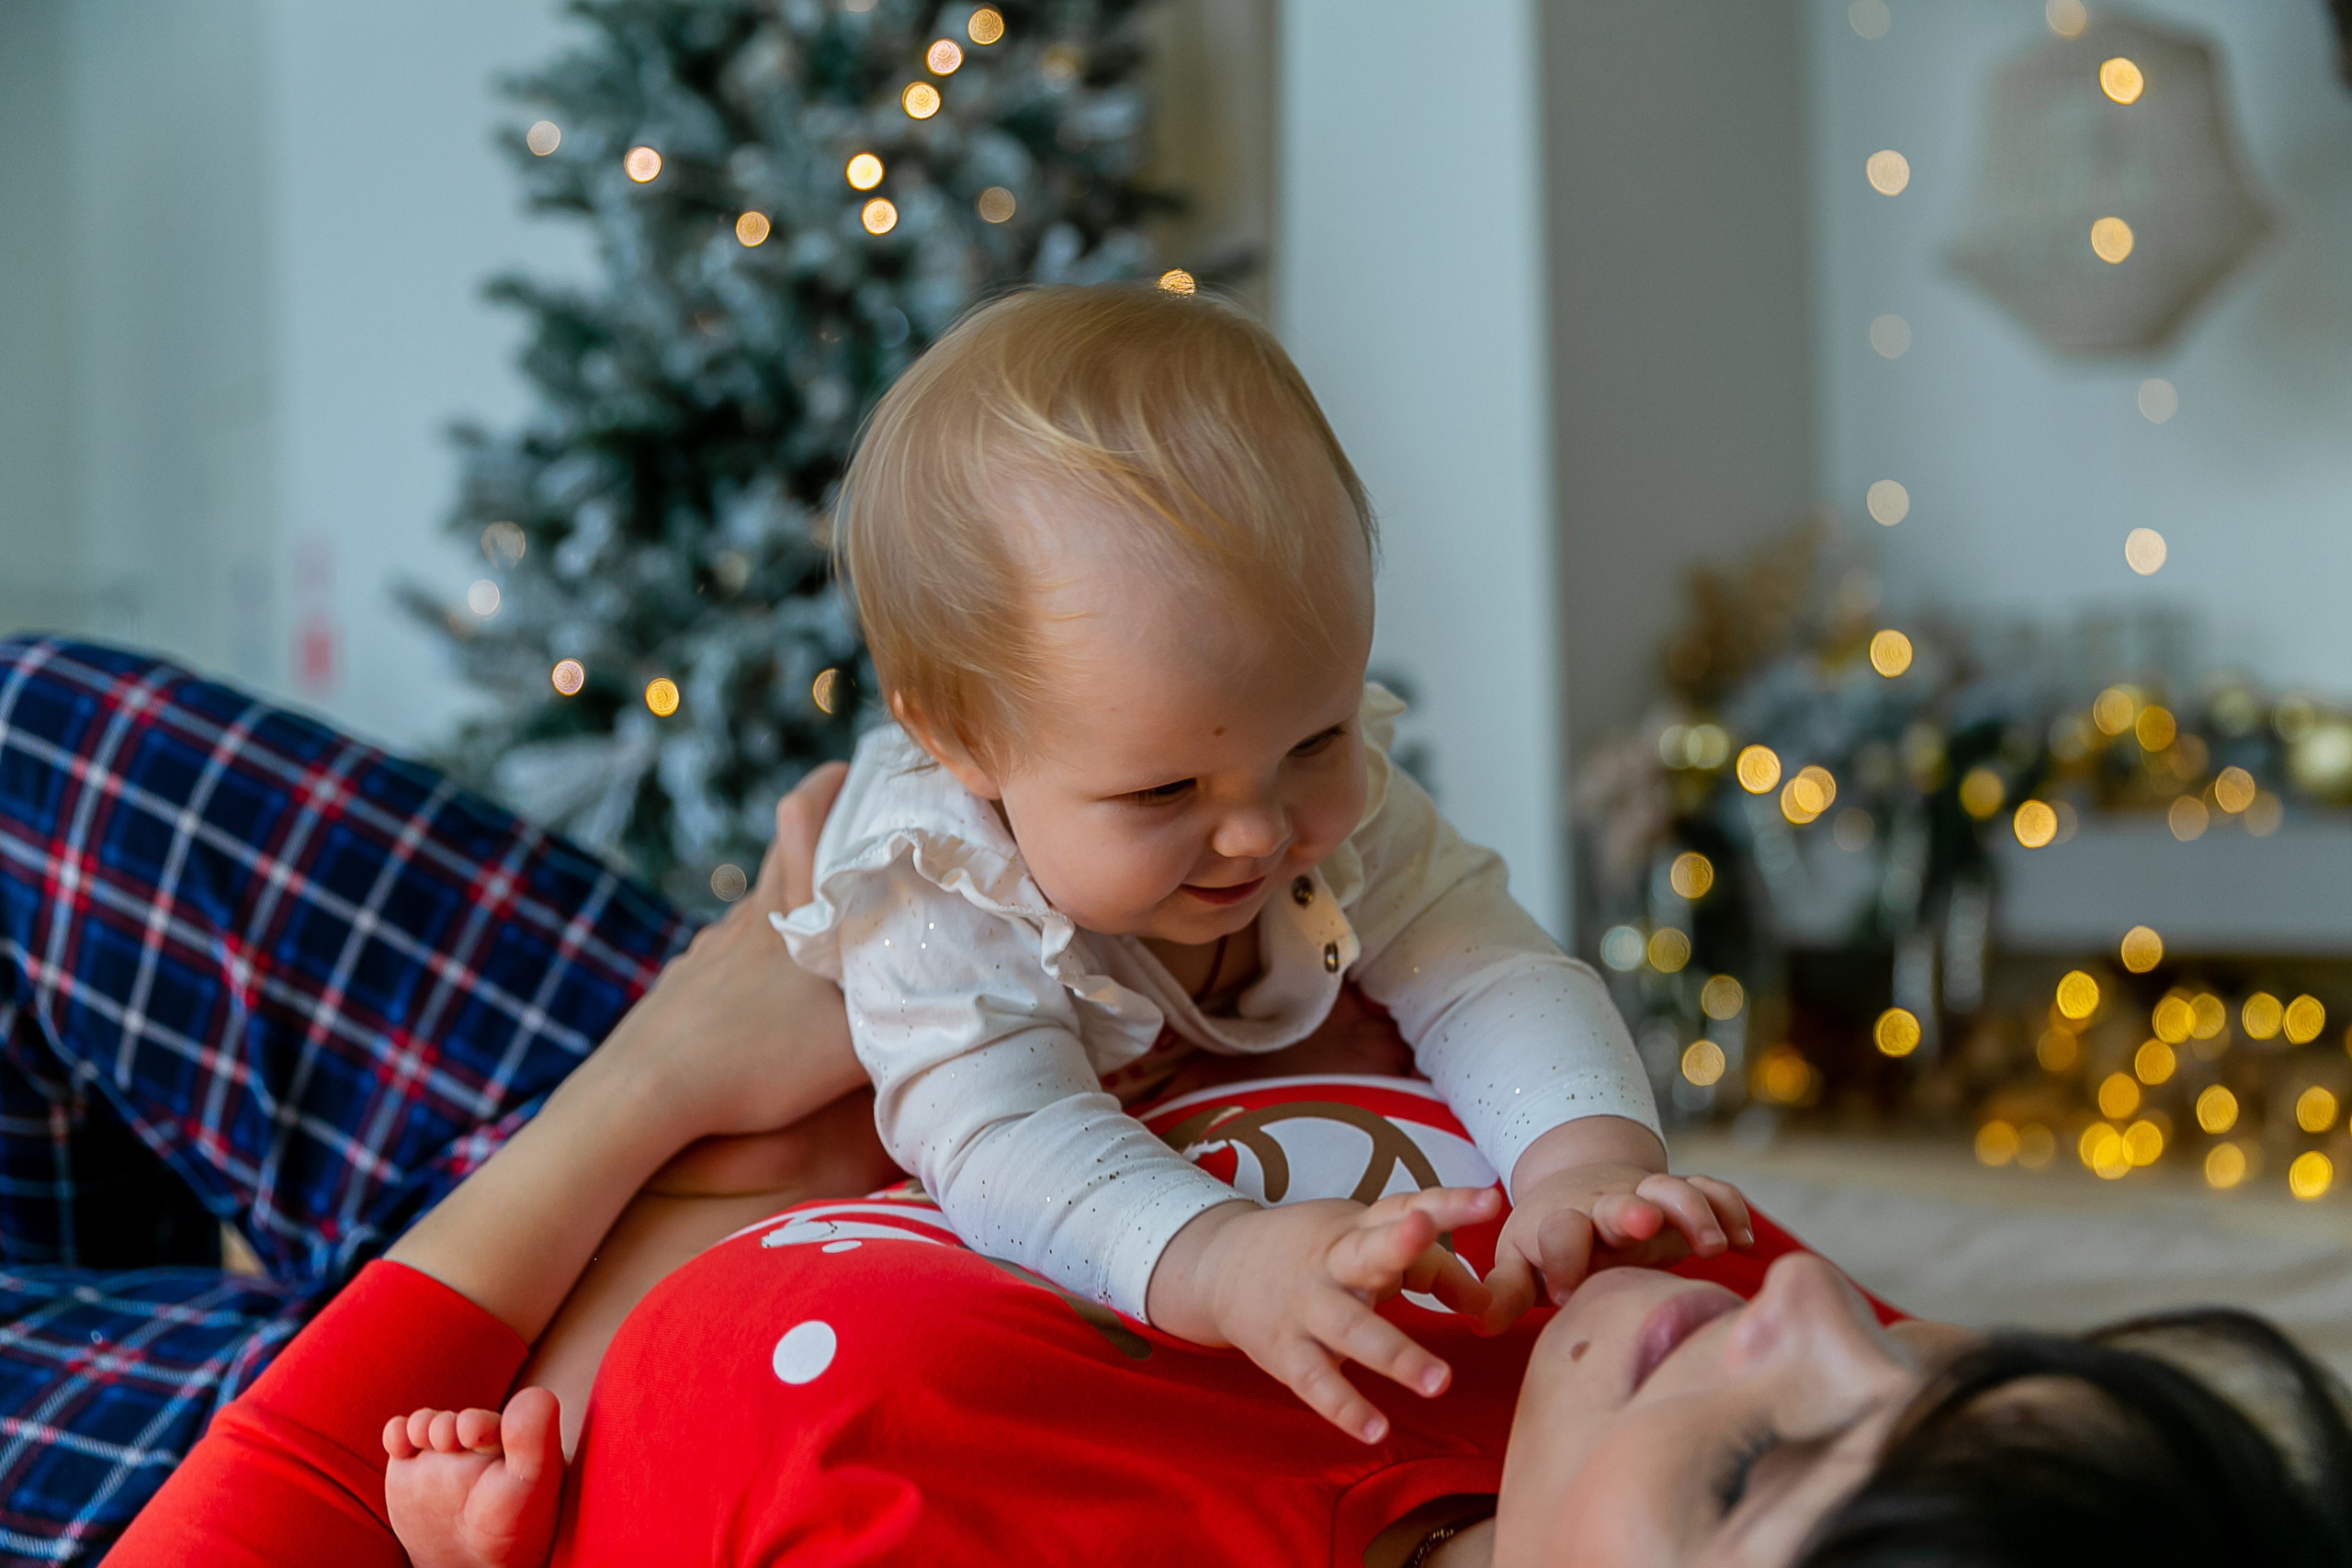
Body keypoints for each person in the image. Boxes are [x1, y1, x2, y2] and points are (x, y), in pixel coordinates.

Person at [18, 643, 2352, 1568]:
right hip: (810, 1024)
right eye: (1931, 1351)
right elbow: (1446, 943)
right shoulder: (1676, 1292)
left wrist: (645, 1120)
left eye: (1752, 1470)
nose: (1793, 1319)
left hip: (389, 1406)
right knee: (40, 741)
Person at [762, 286, 1750, 1446]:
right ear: (964, 744)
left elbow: (1488, 971)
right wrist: (1218, 1255)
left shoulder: (1310, 780)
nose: (1256, 832)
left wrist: (1583, 1165)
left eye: (1315, 740)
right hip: (891, 1150)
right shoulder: (931, 882)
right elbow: (1000, 1134)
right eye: (1162, 792)